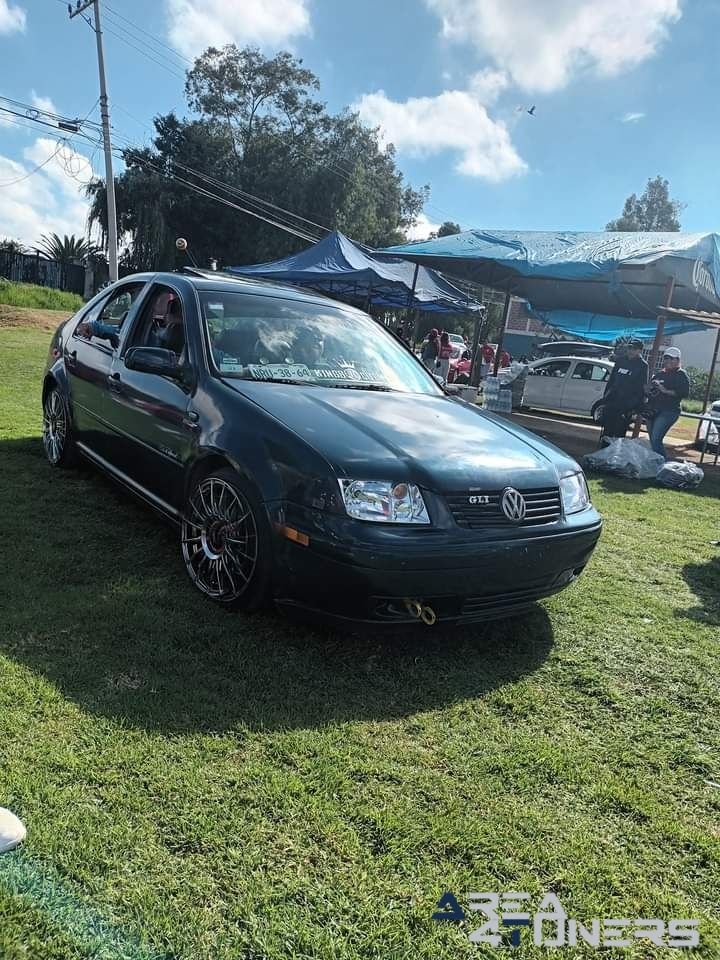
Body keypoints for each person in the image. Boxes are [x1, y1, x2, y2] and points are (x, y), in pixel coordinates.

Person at [645, 346, 690, 459]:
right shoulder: (660, 374)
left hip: (669, 411)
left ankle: (662, 464)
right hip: (653, 409)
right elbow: (651, 391)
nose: (668, 361)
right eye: (666, 358)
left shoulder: (681, 374)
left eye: (671, 358)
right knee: (652, 439)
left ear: (677, 360)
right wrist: (649, 389)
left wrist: (664, 390)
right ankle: (656, 462)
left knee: (656, 438)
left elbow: (683, 393)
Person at [601, 338, 648, 438]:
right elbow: (612, 380)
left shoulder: (642, 365)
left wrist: (633, 406)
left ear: (639, 350)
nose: (631, 351)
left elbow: (641, 388)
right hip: (613, 400)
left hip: (626, 405)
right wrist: (606, 396)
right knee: (607, 430)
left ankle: (616, 453)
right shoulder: (621, 360)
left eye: (634, 349)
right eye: (630, 348)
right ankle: (603, 450)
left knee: (619, 432)